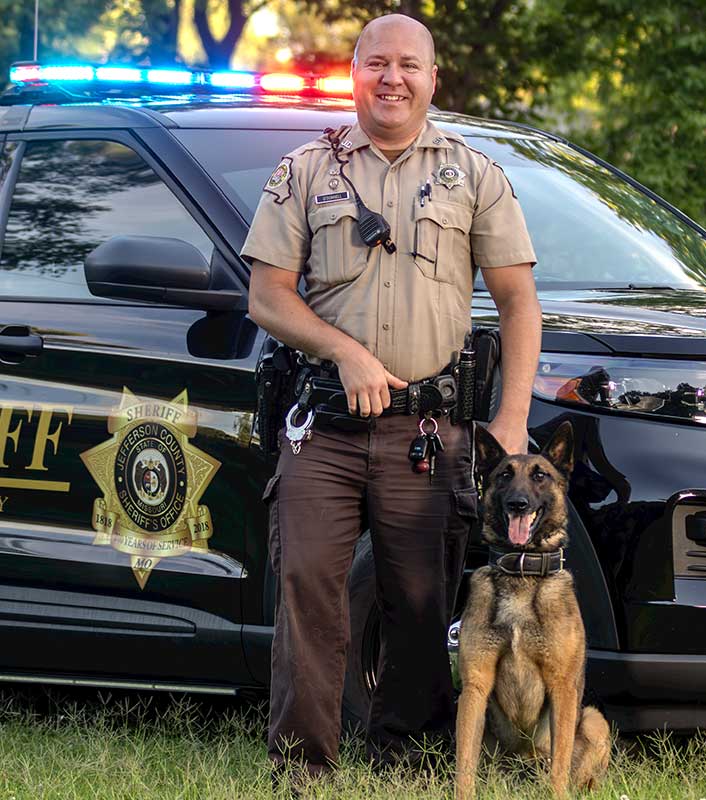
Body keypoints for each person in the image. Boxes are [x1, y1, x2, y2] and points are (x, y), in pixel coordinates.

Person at [242, 13, 541, 778]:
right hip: (328, 430)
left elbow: (518, 304)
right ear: (355, 71)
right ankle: (302, 769)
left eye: (410, 65)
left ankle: (402, 759)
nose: (393, 79)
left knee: (419, 599)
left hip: (428, 433)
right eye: (378, 62)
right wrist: (343, 352)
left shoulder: (475, 176)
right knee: (308, 589)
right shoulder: (307, 169)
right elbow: (268, 297)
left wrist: (509, 424)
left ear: (432, 79)